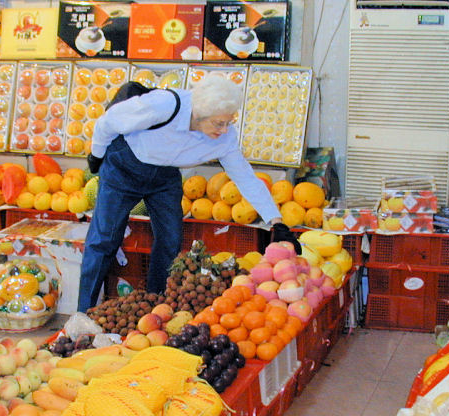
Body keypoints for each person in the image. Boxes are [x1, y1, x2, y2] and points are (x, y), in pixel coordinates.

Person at [77, 72, 301, 313]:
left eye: (229, 122)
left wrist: (276, 222)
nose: (224, 130)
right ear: (198, 114)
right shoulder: (164, 105)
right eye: (218, 123)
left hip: (164, 177)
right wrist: (97, 156)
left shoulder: (223, 137)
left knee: (170, 241)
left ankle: (156, 308)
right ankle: (83, 312)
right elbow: (108, 122)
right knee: (104, 239)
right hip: (124, 167)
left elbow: (245, 176)